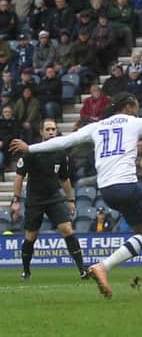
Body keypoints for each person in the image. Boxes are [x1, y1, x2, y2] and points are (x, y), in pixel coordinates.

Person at [10, 93, 142, 299]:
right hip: (127, 185)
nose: (137, 110)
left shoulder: (97, 126)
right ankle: (104, 267)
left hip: (106, 190)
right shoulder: (135, 122)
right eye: (136, 106)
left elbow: (64, 141)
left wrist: (30, 147)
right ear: (129, 106)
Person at [10, 119, 87, 280]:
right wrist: (16, 200)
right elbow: (19, 177)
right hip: (35, 199)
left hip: (54, 198)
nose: (51, 132)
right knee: (31, 236)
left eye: (54, 129)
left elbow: (64, 179)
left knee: (67, 229)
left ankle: (82, 270)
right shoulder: (31, 152)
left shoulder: (61, 153)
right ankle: (26, 271)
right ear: (41, 132)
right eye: (48, 129)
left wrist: (71, 199)